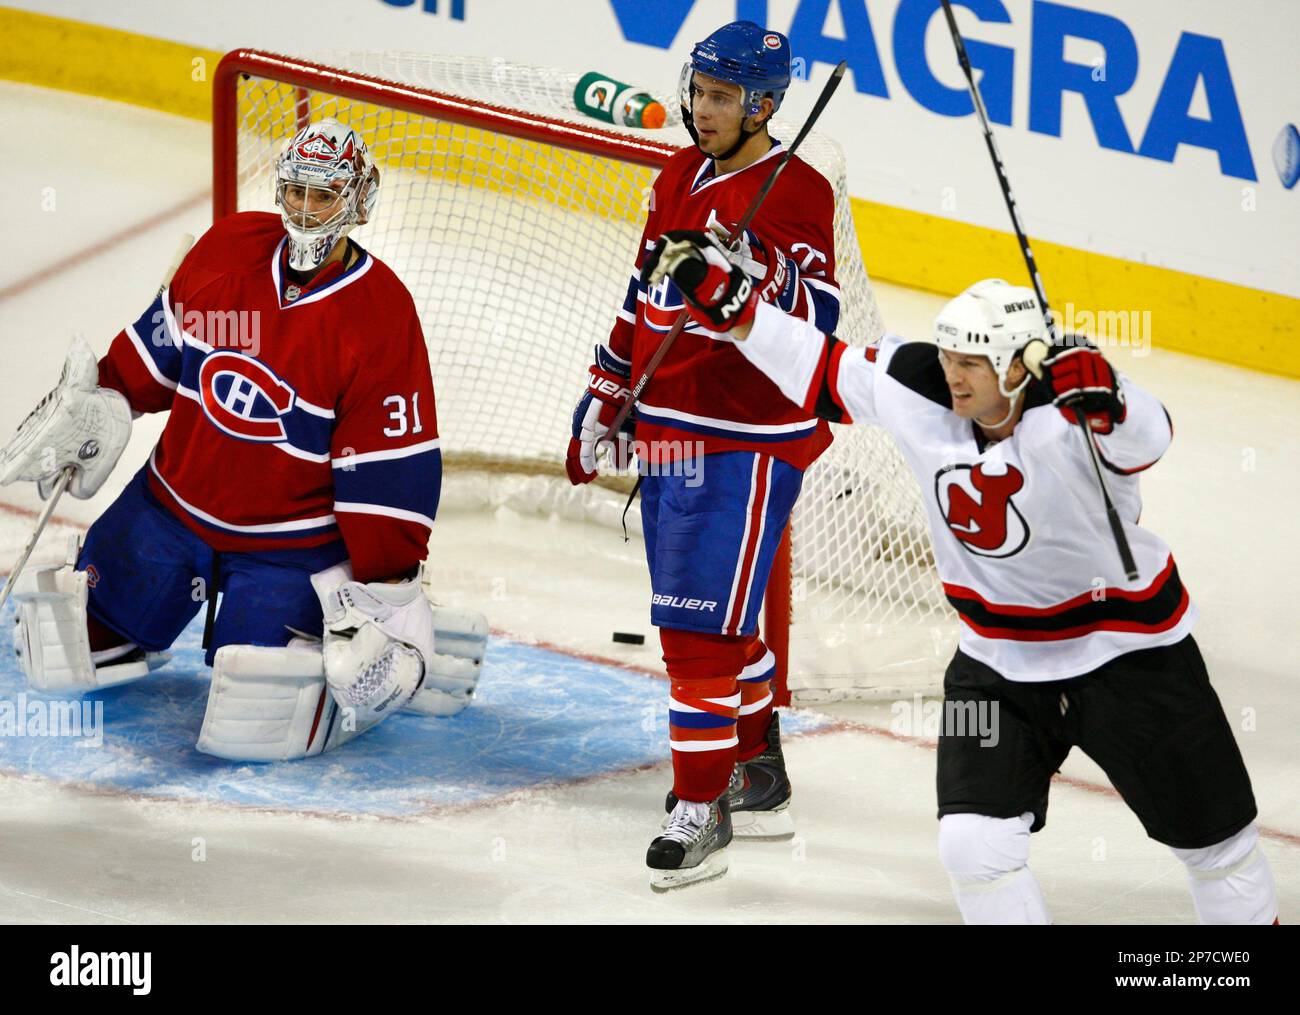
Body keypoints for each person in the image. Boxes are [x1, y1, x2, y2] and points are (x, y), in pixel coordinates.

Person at [642, 230, 1279, 923]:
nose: (955, 374)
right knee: (973, 845)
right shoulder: (919, 383)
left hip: (1131, 657)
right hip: (995, 664)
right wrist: (730, 302)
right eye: (950, 354)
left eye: (973, 361)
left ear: (1017, 365)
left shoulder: (1077, 409)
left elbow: (1149, 434)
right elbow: (813, 363)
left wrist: (1113, 394)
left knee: (1219, 847)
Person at [2, 119, 482, 761]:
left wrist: (388, 591)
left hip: (287, 549)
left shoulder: (379, 315)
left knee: (254, 724)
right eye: (296, 192)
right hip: (169, 510)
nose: (307, 211)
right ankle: (151, 613)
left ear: (358, 199)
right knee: (58, 653)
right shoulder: (227, 249)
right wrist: (101, 402)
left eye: (325, 195)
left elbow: (388, 473)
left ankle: (404, 650)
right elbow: (156, 357)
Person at [565, 20, 843, 890]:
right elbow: (642, 288)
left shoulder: (796, 191)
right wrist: (608, 390)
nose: (704, 108)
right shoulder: (676, 174)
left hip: (746, 442)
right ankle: (758, 778)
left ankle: (701, 806)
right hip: (669, 427)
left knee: (693, 629)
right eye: (700, 90)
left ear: (763, 105)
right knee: (720, 621)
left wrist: (755, 265)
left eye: (723, 97)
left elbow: (822, 316)